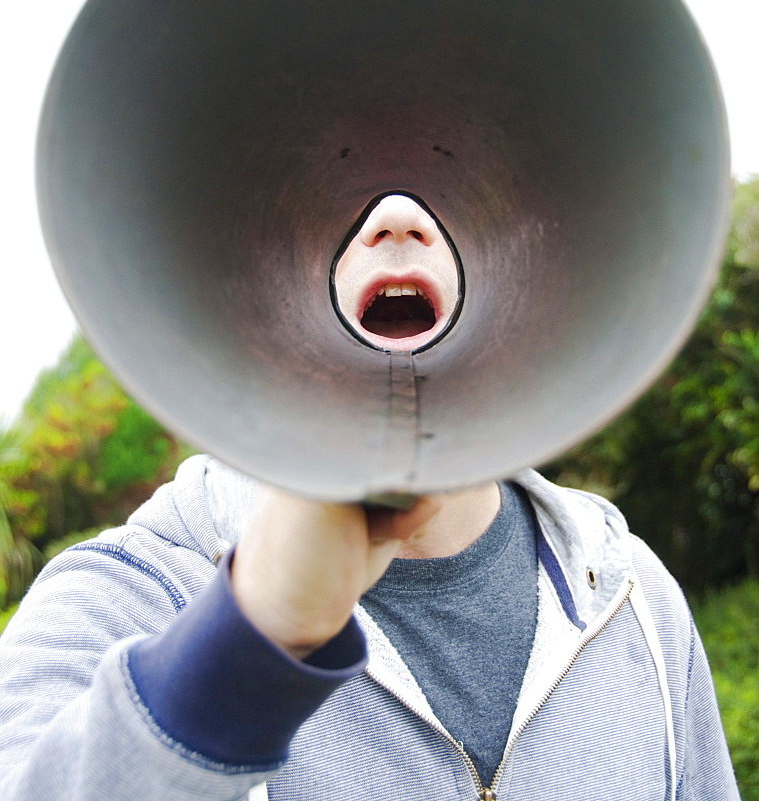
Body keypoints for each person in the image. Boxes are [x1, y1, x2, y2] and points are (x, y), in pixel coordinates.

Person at [0, 195, 739, 800]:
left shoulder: (635, 596)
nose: (393, 215)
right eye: (334, 192)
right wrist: (252, 636)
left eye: (448, 187)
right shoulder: (115, 600)